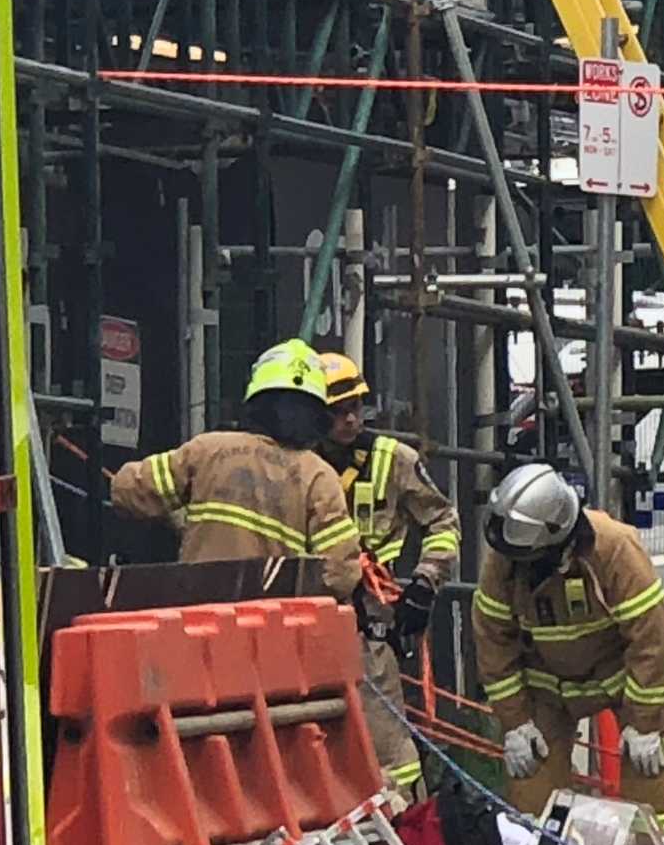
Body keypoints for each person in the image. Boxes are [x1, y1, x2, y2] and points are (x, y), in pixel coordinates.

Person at [474, 462, 664, 845]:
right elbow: (493, 640)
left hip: (620, 681)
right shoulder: (508, 557)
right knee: (532, 804)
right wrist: (516, 724)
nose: (519, 567)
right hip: (545, 690)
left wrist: (643, 724)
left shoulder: (615, 549)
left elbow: (651, 643)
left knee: (646, 767)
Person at [108, 339, 360, 597]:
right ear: (316, 415)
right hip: (271, 624)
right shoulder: (319, 477)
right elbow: (341, 572)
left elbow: (129, 491)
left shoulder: (208, 450)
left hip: (198, 614)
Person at [317, 350, 459, 802]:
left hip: (375, 625)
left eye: (355, 408)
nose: (350, 420)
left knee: (389, 747)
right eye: (337, 412)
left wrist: (423, 584)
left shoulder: (392, 459)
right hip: (311, 620)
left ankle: (407, 827)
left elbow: (444, 522)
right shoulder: (298, 466)